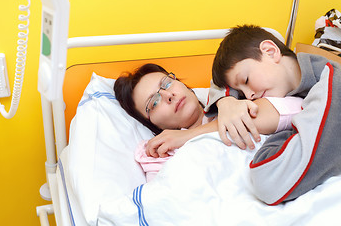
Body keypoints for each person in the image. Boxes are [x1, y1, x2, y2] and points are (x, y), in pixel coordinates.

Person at [208, 24, 341, 205]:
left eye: (246, 81)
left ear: (270, 52)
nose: (248, 96)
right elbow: (217, 83)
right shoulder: (294, 92)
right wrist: (226, 102)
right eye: (240, 92)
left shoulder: (332, 83)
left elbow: (268, 179)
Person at [114, 63, 302, 181]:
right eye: (154, 102)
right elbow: (166, 201)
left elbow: (297, 108)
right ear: (153, 124)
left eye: (166, 84)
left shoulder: (233, 96)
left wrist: (189, 135)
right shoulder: (161, 153)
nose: (168, 95)